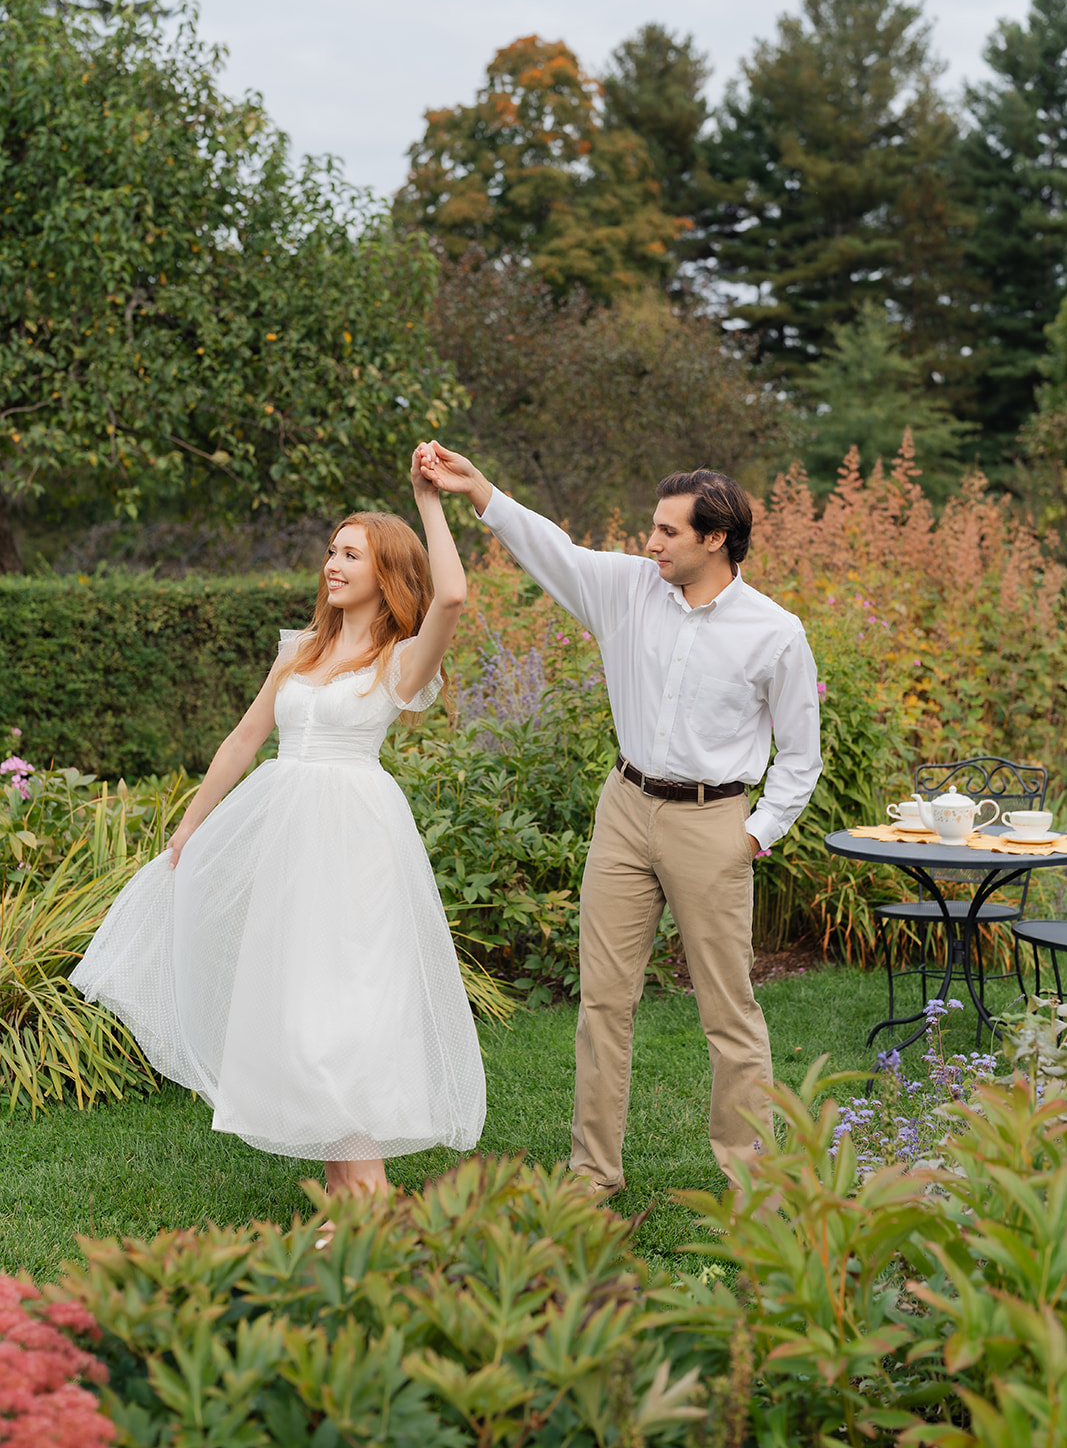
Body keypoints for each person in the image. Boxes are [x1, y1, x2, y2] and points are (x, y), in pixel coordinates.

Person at [72, 448, 485, 1201]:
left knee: (350, 1009)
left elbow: (452, 597)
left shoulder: (399, 662)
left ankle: (374, 1203)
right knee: (302, 1007)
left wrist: (429, 500)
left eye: (350, 554)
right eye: (331, 549)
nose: (331, 563)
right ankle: (346, 1194)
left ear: (385, 571)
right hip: (287, 840)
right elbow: (243, 738)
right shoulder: (302, 649)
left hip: (355, 844)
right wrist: (190, 826)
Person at [418, 443, 822, 1196]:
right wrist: (479, 490)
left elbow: (801, 756)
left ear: (715, 539)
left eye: (668, 532)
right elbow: (550, 548)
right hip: (625, 810)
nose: (651, 542)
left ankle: (752, 1184)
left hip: (714, 823)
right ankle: (592, 1176)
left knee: (727, 1012)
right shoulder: (627, 588)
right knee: (604, 1000)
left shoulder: (774, 632)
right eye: (652, 527)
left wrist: (754, 833)